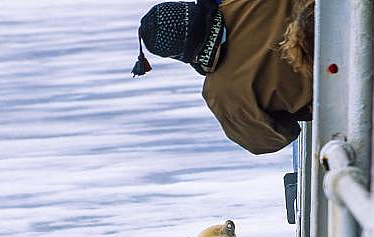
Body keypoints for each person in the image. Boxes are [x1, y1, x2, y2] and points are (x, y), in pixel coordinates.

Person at [132, 0, 314, 155]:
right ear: (186, 6)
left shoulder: (222, 95)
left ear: (179, 56)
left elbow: (270, 141)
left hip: (335, 90)